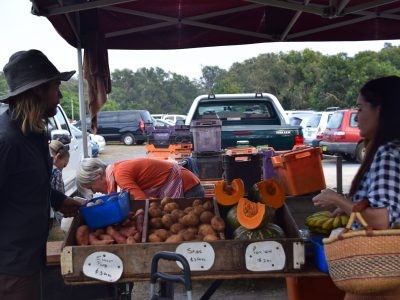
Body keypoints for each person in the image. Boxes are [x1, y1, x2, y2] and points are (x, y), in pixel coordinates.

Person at [0, 49, 84, 300]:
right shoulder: (7, 141)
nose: (59, 95)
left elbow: (27, 186)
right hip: (10, 267)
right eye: (56, 87)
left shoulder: (35, 133)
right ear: (37, 91)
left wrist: (59, 200)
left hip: (29, 257)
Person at [312, 75, 400, 299]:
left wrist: (337, 199)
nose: (357, 118)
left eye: (360, 109)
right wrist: (352, 205)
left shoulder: (387, 154)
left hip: (381, 274)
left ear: (380, 110)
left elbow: (382, 220)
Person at [77, 157, 205, 199]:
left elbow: (141, 202)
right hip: (189, 185)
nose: (94, 192)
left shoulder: (120, 174)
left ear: (98, 175)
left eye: (91, 187)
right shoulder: (117, 172)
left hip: (189, 187)